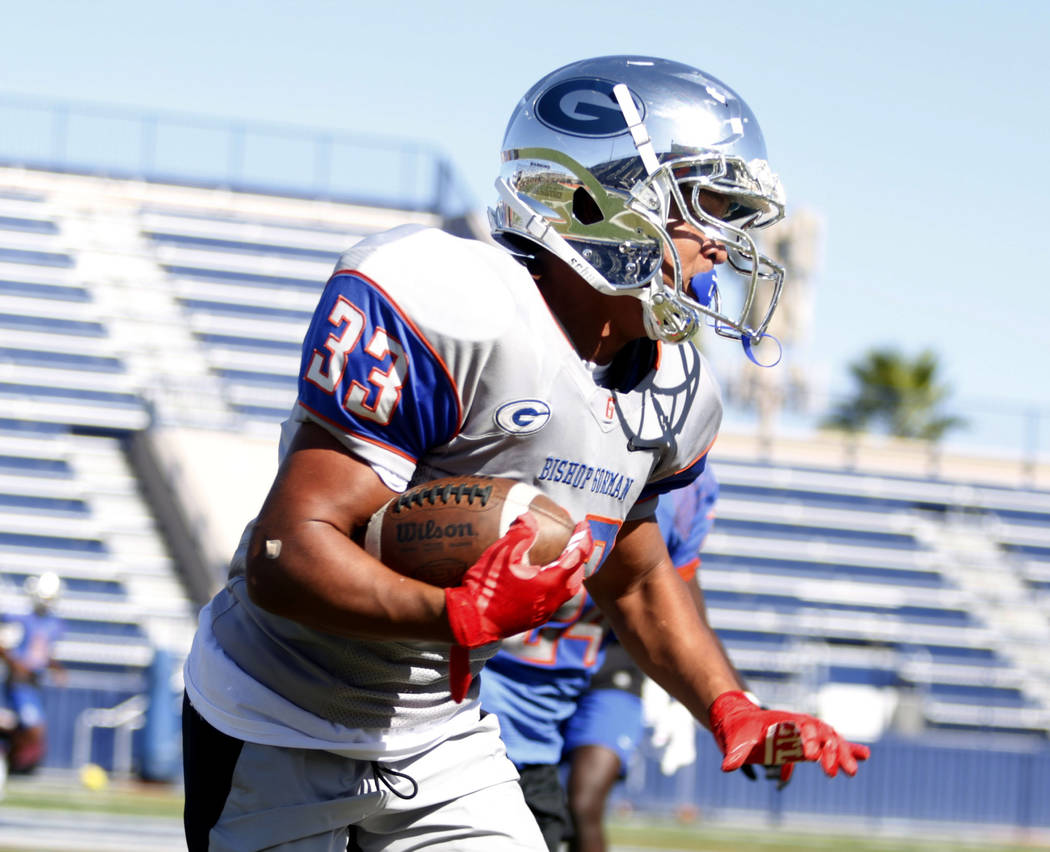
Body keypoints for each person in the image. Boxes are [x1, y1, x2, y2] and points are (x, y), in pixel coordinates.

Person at [181, 55, 868, 852]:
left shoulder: (680, 386)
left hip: (439, 730)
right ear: (597, 197)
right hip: (272, 709)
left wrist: (728, 704)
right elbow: (283, 554)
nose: (724, 242)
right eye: (704, 205)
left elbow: (639, 575)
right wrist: (455, 616)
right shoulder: (448, 298)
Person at [481, 467, 723, 852]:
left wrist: (733, 705)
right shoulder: (546, 464)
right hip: (514, 670)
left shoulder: (685, 492)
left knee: (582, 803)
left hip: (609, 658)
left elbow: (675, 598)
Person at [0, 572, 66, 776]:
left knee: (26, 728)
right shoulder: (19, 619)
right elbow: (4, 645)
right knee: (31, 727)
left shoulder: (55, 624)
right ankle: (10, 764)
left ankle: (11, 764)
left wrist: (56, 668)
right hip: (18, 682)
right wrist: (15, 663)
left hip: (34, 684)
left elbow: (43, 654)